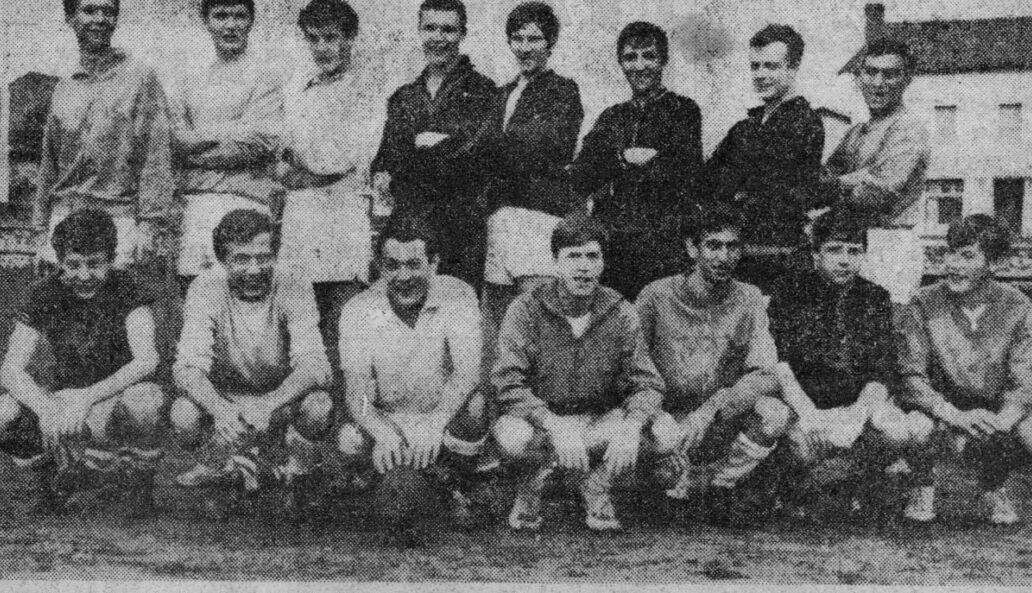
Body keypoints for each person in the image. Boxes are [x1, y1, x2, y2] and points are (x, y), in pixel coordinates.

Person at [0, 210, 164, 516]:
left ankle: (138, 486)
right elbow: (11, 369)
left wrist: (89, 397)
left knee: (146, 402)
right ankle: (51, 481)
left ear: (111, 259)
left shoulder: (129, 288)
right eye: (73, 265)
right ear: (59, 262)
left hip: (115, 395)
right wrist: (45, 407)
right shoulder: (43, 292)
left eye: (94, 264)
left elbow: (147, 360)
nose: (83, 275)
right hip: (63, 396)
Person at [492, 213, 665, 533]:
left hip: (596, 421)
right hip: (542, 425)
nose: (583, 267)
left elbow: (647, 382)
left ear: (603, 263)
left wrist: (633, 424)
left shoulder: (621, 311)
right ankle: (532, 484)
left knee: (664, 431)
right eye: (573, 256)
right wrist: (552, 423)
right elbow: (507, 382)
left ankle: (596, 484)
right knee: (511, 436)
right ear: (555, 262)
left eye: (592, 256)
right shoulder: (526, 308)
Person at [767, 209, 933, 519]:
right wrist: (810, 415)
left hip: (854, 406)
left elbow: (881, 368)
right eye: (834, 250)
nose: (845, 260)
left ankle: (855, 480)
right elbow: (781, 362)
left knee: (897, 431)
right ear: (816, 254)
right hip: (805, 406)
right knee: (799, 447)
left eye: (854, 251)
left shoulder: (875, 297)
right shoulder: (791, 291)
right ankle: (791, 486)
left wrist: (857, 415)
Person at [170, 210, 334, 521]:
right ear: (222, 259)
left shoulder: (294, 283)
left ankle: (295, 476)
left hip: (281, 399)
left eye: (263, 257)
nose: (254, 269)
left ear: (275, 254)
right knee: (183, 414)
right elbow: (187, 367)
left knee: (319, 406)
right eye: (241, 259)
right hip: (228, 401)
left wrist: (269, 404)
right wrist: (220, 409)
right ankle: (223, 470)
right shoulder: (205, 287)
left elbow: (316, 365)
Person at [336, 214, 491, 534]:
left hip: (441, 420)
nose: (403, 276)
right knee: (350, 436)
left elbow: (467, 374)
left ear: (434, 263)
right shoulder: (359, 309)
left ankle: (455, 485)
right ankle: (374, 483)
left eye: (413, 264)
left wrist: (434, 423)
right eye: (392, 265)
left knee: (475, 407)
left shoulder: (458, 295)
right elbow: (357, 391)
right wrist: (381, 431)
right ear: (380, 266)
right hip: (389, 420)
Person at [637, 204, 790, 525]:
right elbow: (631, 367)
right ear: (693, 248)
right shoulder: (656, 295)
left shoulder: (749, 298)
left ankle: (718, 484)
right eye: (713, 246)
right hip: (666, 416)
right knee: (661, 460)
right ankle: (665, 481)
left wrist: (712, 408)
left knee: (775, 413)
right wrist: (656, 412)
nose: (723, 257)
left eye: (732, 246)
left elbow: (765, 373)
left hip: (719, 417)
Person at [898, 215, 1032, 526]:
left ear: (994, 263)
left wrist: (1001, 423)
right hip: (937, 408)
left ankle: (992, 484)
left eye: (967, 256)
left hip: (993, 409)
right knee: (913, 429)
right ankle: (923, 483)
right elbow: (910, 375)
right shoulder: (923, 302)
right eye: (950, 252)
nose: (954, 264)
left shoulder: (1016, 305)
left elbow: (1028, 377)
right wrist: (952, 414)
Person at [34, 0, 174, 268]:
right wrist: (40, 228)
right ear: (70, 17)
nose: (100, 19)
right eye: (89, 10)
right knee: (60, 312)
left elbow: (155, 155)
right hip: (64, 217)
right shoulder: (64, 86)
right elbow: (49, 162)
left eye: (108, 11)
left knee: (114, 311)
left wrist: (148, 224)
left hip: (117, 218)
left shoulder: (140, 77)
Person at [276, 0, 381, 374]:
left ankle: (345, 417)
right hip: (302, 220)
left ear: (350, 39)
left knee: (345, 323)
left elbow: (341, 158)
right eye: (314, 39)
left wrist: (303, 169)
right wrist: (300, 168)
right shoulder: (296, 91)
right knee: (303, 325)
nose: (323, 48)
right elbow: (280, 157)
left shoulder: (366, 93)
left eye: (332, 38)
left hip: (343, 220)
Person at [481, 1, 585, 376]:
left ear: (550, 42)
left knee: (537, 314)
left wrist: (493, 149)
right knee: (497, 317)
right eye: (518, 38)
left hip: (537, 215)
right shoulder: (501, 93)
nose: (526, 47)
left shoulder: (562, 90)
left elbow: (552, 146)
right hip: (500, 217)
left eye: (535, 38)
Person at [571, 21, 703, 300]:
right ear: (621, 63)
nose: (640, 66)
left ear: (663, 60)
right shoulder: (611, 117)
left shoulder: (683, 110)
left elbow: (685, 172)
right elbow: (581, 176)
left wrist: (612, 174)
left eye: (649, 56)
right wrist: (623, 158)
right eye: (631, 58)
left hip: (663, 246)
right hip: (613, 246)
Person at [372, 0, 497, 284]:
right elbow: (384, 162)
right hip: (409, 230)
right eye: (430, 28)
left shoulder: (483, 92)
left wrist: (415, 154)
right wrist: (429, 148)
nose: (438, 38)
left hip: (460, 232)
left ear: (462, 34)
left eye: (448, 29)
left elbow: (471, 159)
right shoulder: (403, 98)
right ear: (419, 31)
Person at [169, 0, 284, 285]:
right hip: (195, 207)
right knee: (193, 297)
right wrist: (232, 131)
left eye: (239, 16)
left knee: (246, 300)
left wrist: (198, 143)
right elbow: (175, 140)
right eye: (221, 16)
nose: (230, 25)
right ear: (206, 20)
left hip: (248, 204)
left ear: (251, 20)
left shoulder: (265, 77)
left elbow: (259, 142)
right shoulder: (188, 77)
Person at [704, 25, 824, 291]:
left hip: (779, 257)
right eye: (755, 66)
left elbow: (773, 192)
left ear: (793, 68)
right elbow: (709, 178)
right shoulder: (746, 126)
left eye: (771, 66)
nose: (760, 75)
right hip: (737, 255)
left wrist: (735, 188)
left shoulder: (805, 123)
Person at [820, 38, 931, 305]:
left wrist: (840, 184)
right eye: (871, 72)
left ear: (907, 79)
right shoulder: (856, 132)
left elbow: (874, 194)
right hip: (855, 243)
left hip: (890, 245)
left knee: (885, 332)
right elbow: (824, 179)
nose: (878, 83)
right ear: (859, 77)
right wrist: (851, 179)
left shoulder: (908, 129)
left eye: (890, 74)